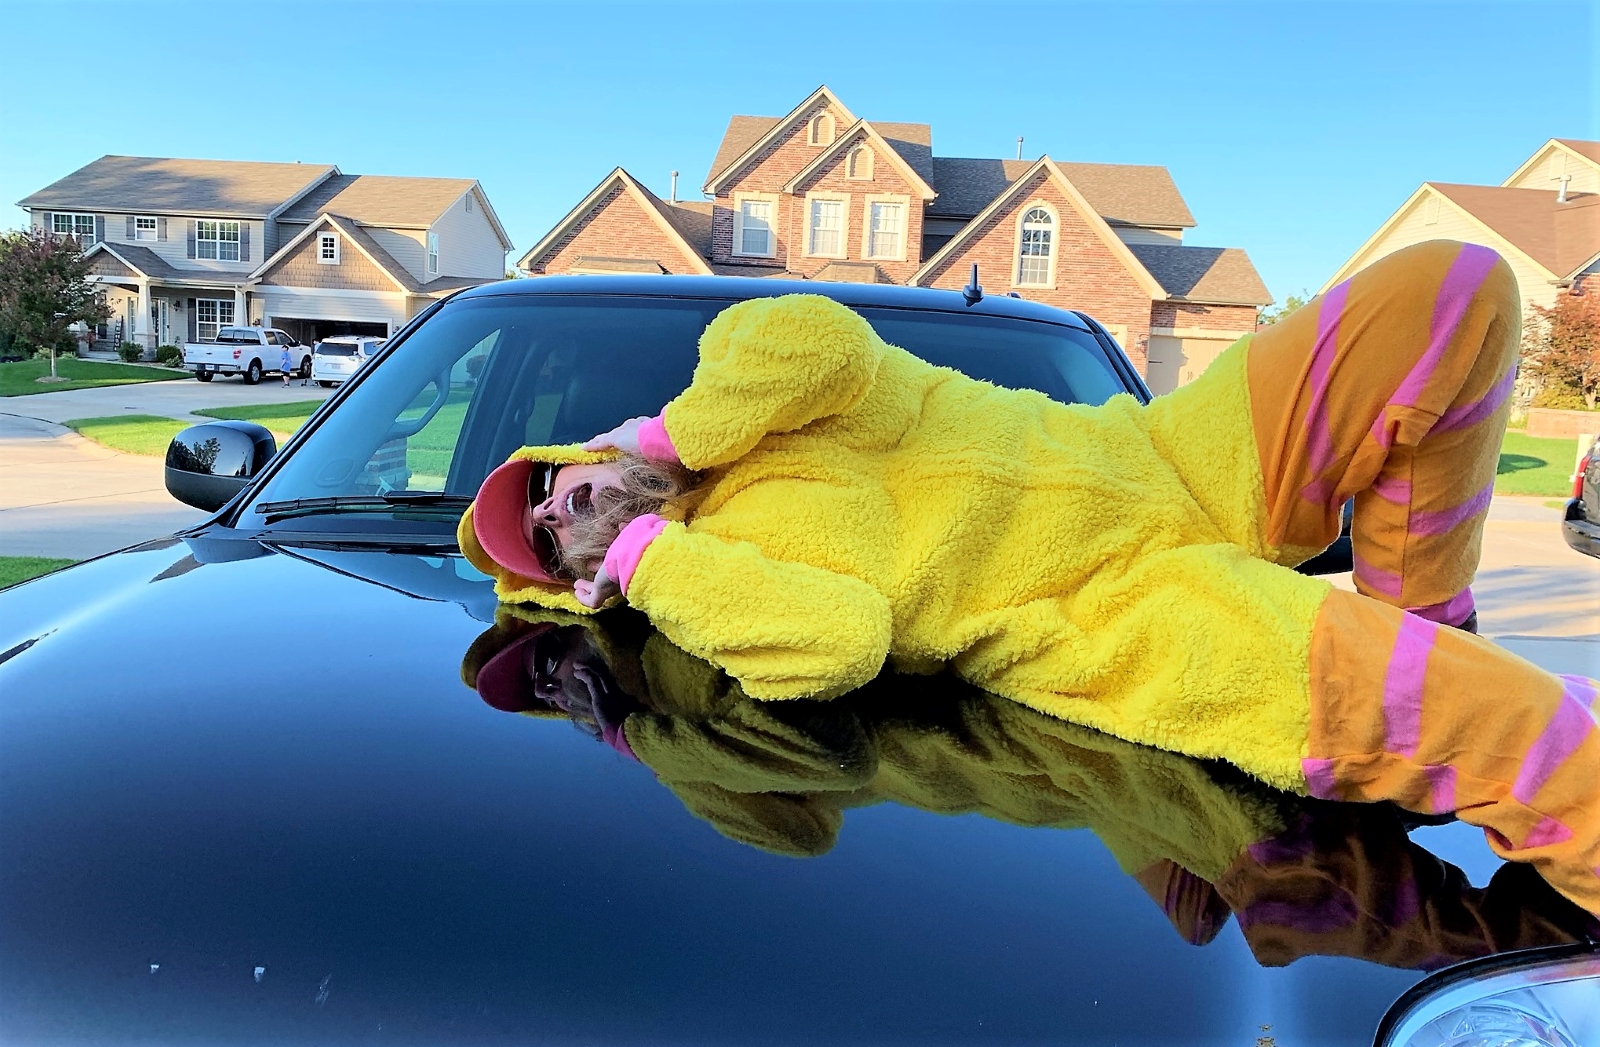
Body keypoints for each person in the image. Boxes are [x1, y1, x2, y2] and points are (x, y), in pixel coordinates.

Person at [460, 239, 1600, 914]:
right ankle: (1430, 679)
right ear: (582, 585)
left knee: (1453, 287)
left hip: (1159, 457)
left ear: (581, 449)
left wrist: (669, 442)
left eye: (552, 484)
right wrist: (649, 565)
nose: (565, 509)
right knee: (1534, 739)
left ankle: (1428, 616)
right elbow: (831, 647)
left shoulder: (745, 401)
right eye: (555, 540)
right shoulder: (698, 579)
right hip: (1102, 616)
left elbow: (819, 339)